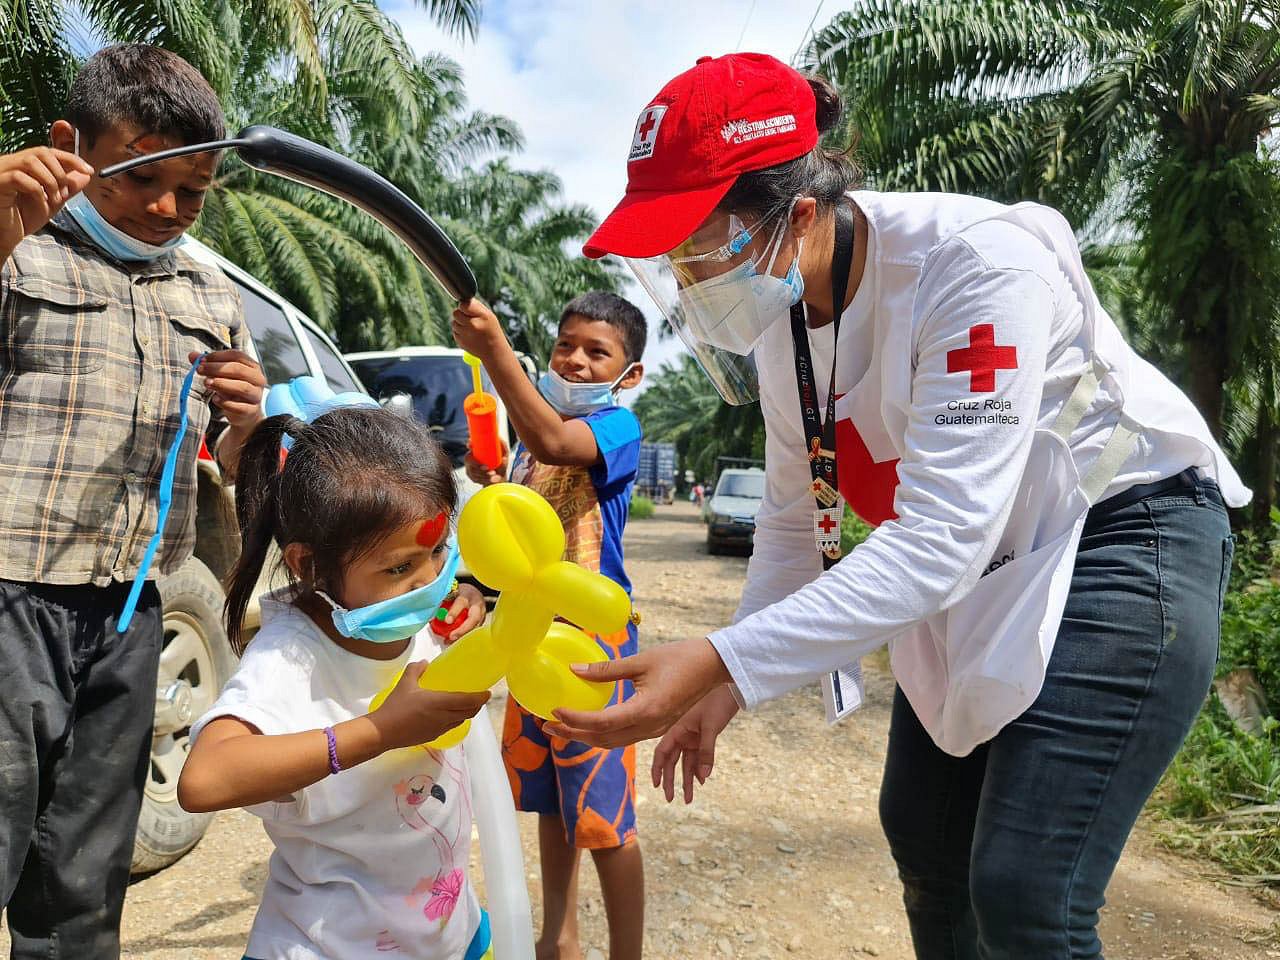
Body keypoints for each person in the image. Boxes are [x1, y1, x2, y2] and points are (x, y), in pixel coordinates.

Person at [545, 53, 1247, 960]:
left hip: (1121, 526)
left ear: (797, 217)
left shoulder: (977, 264)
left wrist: (720, 655)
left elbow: (942, 536)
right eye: (672, 256)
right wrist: (723, 684)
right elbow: (796, 526)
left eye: (700, 247)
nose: (686, 280)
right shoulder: (781, 332)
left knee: (1029, 886)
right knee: (921, 830)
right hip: (986, 559)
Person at [0, 44, 268, 958]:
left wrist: (245, 425)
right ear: (70, 144)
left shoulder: (208, 290)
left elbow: (237, 471)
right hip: (11, 602)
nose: (165, 208)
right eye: (140, 176)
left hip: (130, 612)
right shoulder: (18, 247)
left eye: (191, 193)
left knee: (86, 871)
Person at [177, 405, 494, 960]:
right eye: (400, 569)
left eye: (439, 552)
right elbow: (204, 780)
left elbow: (430, 591)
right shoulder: (291, 659)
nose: (430, 582)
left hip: (448, 931)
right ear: (307, 564)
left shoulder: (410, 611)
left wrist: (464, 603)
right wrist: (380, 730)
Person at [452, 292, 646, 960]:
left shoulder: (617, 430)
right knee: (552, 802)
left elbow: (557, 441)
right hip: (529, 638)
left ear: (632, 374)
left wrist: (493, 350)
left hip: (594, 645)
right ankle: (557, 937)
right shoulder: (526, 448)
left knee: (605, 813)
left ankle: (627, 953)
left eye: (600, 352)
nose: (578, 361)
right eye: (568, 345)